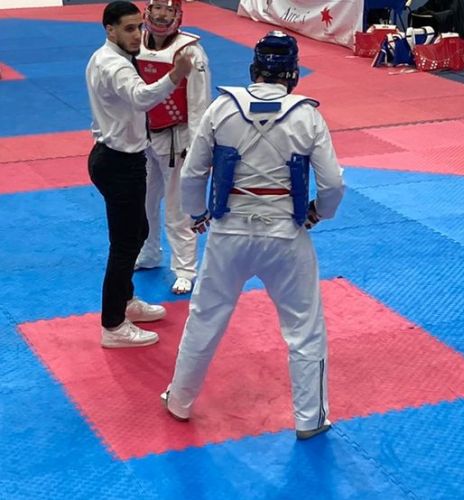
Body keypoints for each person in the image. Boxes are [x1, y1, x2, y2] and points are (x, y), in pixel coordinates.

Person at [161, 31, 345, 440]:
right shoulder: (307, 116)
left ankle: (179, 400)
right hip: (286, 234)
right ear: (294, 73)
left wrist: (197, 213)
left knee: (205, 318)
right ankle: (310, 419)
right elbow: (332, 183)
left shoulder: (222, 108)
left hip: (228, 232)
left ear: (253, 69)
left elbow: (192, 173)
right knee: (304, 328)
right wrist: (320, 211)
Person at [86, 1, 192, 348]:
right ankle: (113, 325)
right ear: (110, 30)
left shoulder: (106, 57)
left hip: (117, 157)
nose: (137, 35)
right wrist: (176, 75)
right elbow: (141, 97)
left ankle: (126, 300)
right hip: (118, 162)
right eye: (129, 29)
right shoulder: (114, 64)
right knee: (125, 244)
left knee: (138, 231)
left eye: (139, 27)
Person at [134, 0, 212, 296]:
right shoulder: (135, 42)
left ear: (178, 15)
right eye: (157, 8)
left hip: (177, 138)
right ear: (148, 11)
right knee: (143, 201)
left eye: (169, 10)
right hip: (143, 135)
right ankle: (149, 251)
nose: (162, 15)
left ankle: (185, 269)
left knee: (178, 208)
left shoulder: (190, 51)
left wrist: (197, 146)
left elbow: (199, 104)